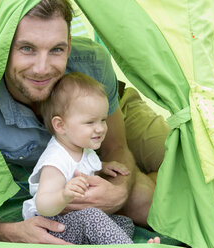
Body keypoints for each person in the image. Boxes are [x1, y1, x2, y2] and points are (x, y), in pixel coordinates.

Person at [0, 0, 169, 244]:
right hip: (73, 164)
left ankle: (155, 178)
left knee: (180, 164)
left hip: (110, 116)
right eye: (27, 48)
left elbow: (114, 145)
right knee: (148, 204)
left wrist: (120, 190)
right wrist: (9, 232)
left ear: (68, 46)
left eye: (56, 49)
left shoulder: (92, 62)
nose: (42, 68)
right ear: (4, 47)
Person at [21, 72, 159, 244]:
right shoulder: (55, 162)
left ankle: (116, 244)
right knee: (93, 217)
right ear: (60, 125)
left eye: (103, 120)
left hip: (77, 222)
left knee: (124, 222)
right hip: (53, 227)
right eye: (90, 122)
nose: (101, 128)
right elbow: (43, 204)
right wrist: (63, 195)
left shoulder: (80, 147)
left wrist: (103, 166)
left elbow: (83, 165)